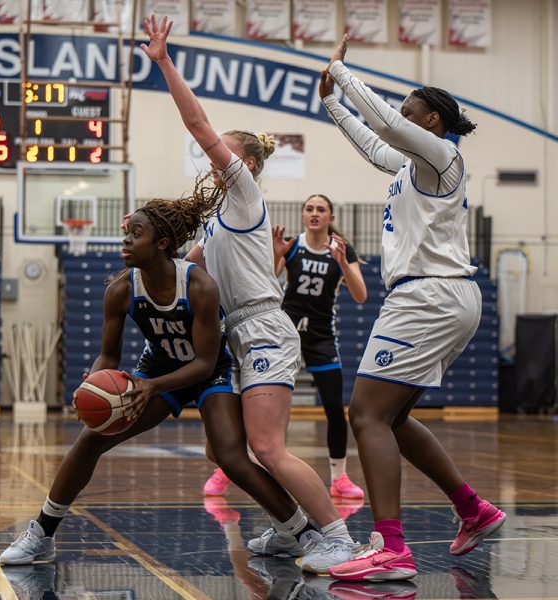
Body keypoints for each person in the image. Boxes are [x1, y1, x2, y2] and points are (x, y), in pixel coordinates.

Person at [0, 182, 323, 568]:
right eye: (127, 233)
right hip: (160, 367)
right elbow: (108, 355)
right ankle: (42, 535)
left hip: (209, 371)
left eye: (137, 234)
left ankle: (302, 532)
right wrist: (91, 385)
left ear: (164, 243)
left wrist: (150, 386)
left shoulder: (199, 285)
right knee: (90, 440)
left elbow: (203, 363)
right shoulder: (120, 290)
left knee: (230, 456)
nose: (127, 241)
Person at [141, 14, 357, 574]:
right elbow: (181, 268)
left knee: (268, 447)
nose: (212, 160)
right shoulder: (215, 226)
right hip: (236, 334)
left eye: (224, 154)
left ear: (247, 165)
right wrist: (140, 237)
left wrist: (164, 62)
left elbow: (199, 126)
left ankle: (335, 535)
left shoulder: (243, 194)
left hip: (262, 327)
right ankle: (290, 531)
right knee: (222, 450)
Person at [317, 35, 506, 581]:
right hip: (438, 297)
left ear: (434, 122)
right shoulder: (412, 167)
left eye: (409, 112)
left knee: (367, 414)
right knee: (392, 417)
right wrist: (332, 101)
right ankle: (474, 509)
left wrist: (343, 73)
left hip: (429, 295)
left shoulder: (445, 156)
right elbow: (375, 144)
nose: (399, 118)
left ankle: (391, 549)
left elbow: (382, 125)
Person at [204, 193, 368, 504]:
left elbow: (360, 295)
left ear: (331, 217)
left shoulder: (342, 250)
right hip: (283, 332)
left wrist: (344, 263)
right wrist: (278, 255)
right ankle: (227, 468)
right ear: (303, 215)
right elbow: (265, 282)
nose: (315, 213)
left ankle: (340, 478)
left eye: (321, 209)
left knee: (334, 407)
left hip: (321, 336)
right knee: (251, 403)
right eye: (309, 209)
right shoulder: (292, 245)